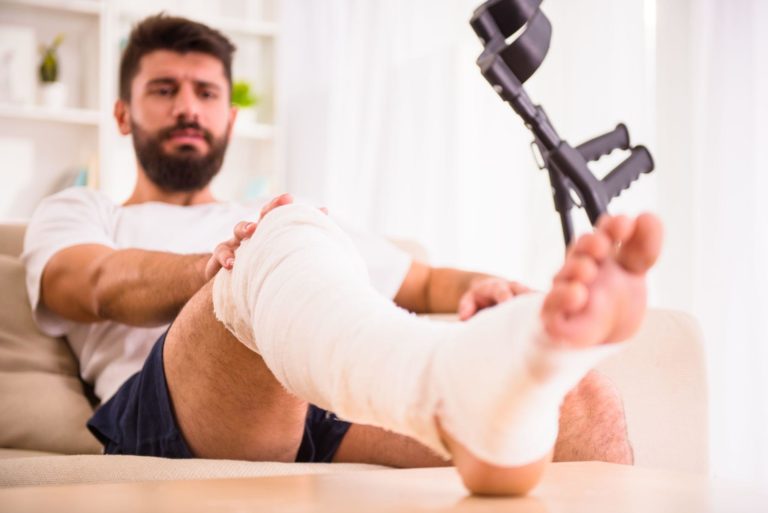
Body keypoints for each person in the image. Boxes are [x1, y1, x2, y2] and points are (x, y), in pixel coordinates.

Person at [21, 14, 660, 495]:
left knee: (583, 397)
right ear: (124, 114)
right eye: (164, 89)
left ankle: (481, 405)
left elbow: (431, 283)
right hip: (175, 408)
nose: (188, 106)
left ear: (230, 118)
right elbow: (95, 283)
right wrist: (223, 268)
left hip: (322, 400)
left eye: (207, 92)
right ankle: (437, 385)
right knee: (280, 236)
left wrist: (528, 305)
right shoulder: (85, 211)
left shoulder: (285, 225)